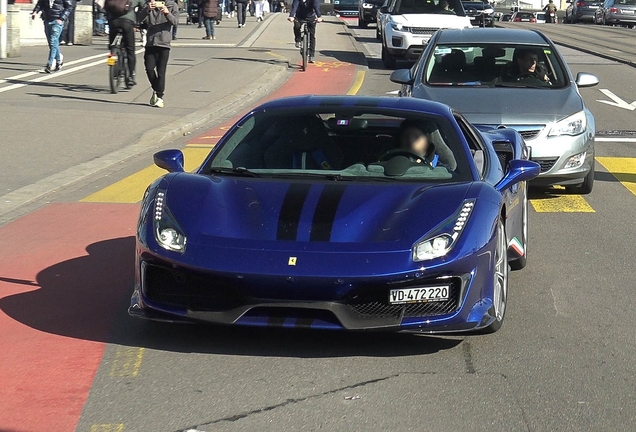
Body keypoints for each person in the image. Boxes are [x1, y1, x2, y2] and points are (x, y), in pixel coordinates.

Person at [138, 0, 178, 108]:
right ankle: (157, 89)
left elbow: (175, 22)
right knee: (149, 68)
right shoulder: (149, 4)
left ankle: (160, 96)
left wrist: (167, 13)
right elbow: (138, 19)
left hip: (164, 43)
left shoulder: (172, 5)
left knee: (161, 71)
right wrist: (147, 10)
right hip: (151, 42)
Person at [105, 0, 145, 86]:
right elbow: (143, 6)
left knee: (112, 46)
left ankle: (112, 59)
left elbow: (106, 5)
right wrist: (143, 22)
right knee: (130, 50)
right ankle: (131, 75)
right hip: (127, 22)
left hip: (113, 22)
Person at [31, 0, 73, 73]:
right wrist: (35, 11)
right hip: (47, 19)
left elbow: (69, 7)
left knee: (53, 41)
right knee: (52, 43)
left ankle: (49, 65)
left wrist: (61, 18)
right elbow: (40, 3)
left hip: (57, 20)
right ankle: (59, 61)